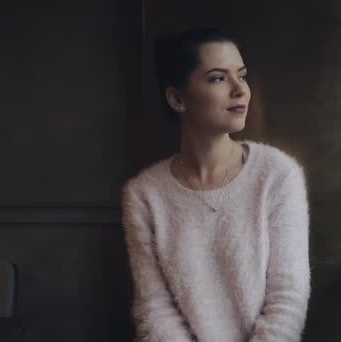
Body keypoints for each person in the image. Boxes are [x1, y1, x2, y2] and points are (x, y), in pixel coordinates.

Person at [121, 27, 310, 342]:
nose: (240, 90)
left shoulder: (277, 174)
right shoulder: (144, 194)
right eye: (218, 78)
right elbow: (154, 311)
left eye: (242, 75)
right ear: (178, 98)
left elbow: (288, 296)